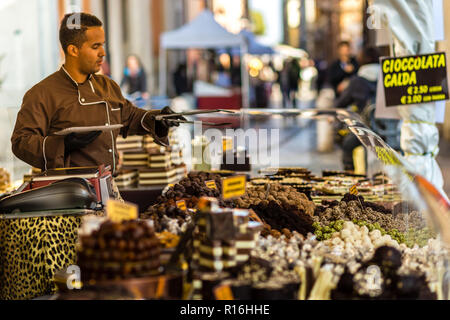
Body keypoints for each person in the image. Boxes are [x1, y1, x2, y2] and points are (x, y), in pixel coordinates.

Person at [11, 13, 184, 175]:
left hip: (110, 189)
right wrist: (62, 145)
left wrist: (158, 119)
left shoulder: (107, 85)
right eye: (96, 46)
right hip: (69, 193)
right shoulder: (42, 94)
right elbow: (20, 142)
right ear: (73, 50)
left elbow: (129, 116)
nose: (103, 53)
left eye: (103, 45)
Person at [333, 46, 392, 171]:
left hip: (367, 130)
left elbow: (341, 103)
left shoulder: (357, 81)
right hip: (390, 130)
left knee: (348, 145)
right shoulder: (389, 77)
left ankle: (352, 180)